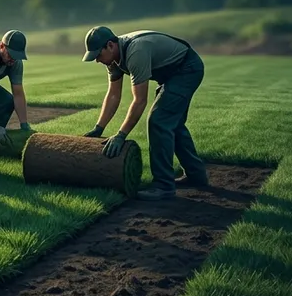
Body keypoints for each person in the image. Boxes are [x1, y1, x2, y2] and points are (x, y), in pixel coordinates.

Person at [81, 25, 209, 200]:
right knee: (174, 124)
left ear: (110, 45)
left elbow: (140, 100)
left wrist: (120, 135)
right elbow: (113, 95)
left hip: (186, 70)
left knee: (159, 121)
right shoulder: (112, 60)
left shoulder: (136, 52)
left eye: (98, 55)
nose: (97, 60)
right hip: (171, 75)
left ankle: (163, 186)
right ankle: (197, 176)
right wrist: (99, 128)